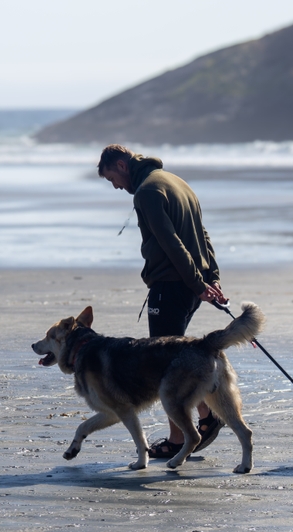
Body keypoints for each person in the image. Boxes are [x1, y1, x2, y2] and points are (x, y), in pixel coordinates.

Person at [97, 144, 228, 459]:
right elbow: (202, 234)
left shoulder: (147, 192)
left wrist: (199, 284)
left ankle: (179, 435)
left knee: (165, 363)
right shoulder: (176, 182)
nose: (116, 186)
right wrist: (212, 277)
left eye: (112, 178)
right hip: (188, 283)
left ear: (121, 165)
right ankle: (204, 419)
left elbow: (172, 242)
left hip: (172, 285)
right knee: (179, 358)